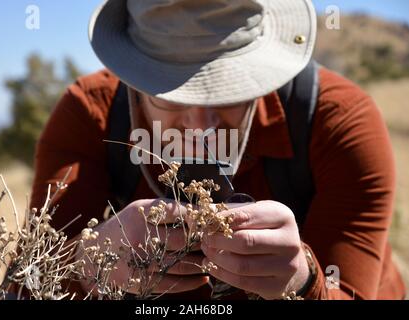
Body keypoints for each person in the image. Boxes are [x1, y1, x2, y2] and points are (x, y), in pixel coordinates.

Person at [30, 0, 406, 299]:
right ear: (133, 81)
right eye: (171, 94)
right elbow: (27, 283)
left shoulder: (337, 122)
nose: (201, 124)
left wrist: (304, 282)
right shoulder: (89, 115)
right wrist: (86, 263)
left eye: (229, 92)